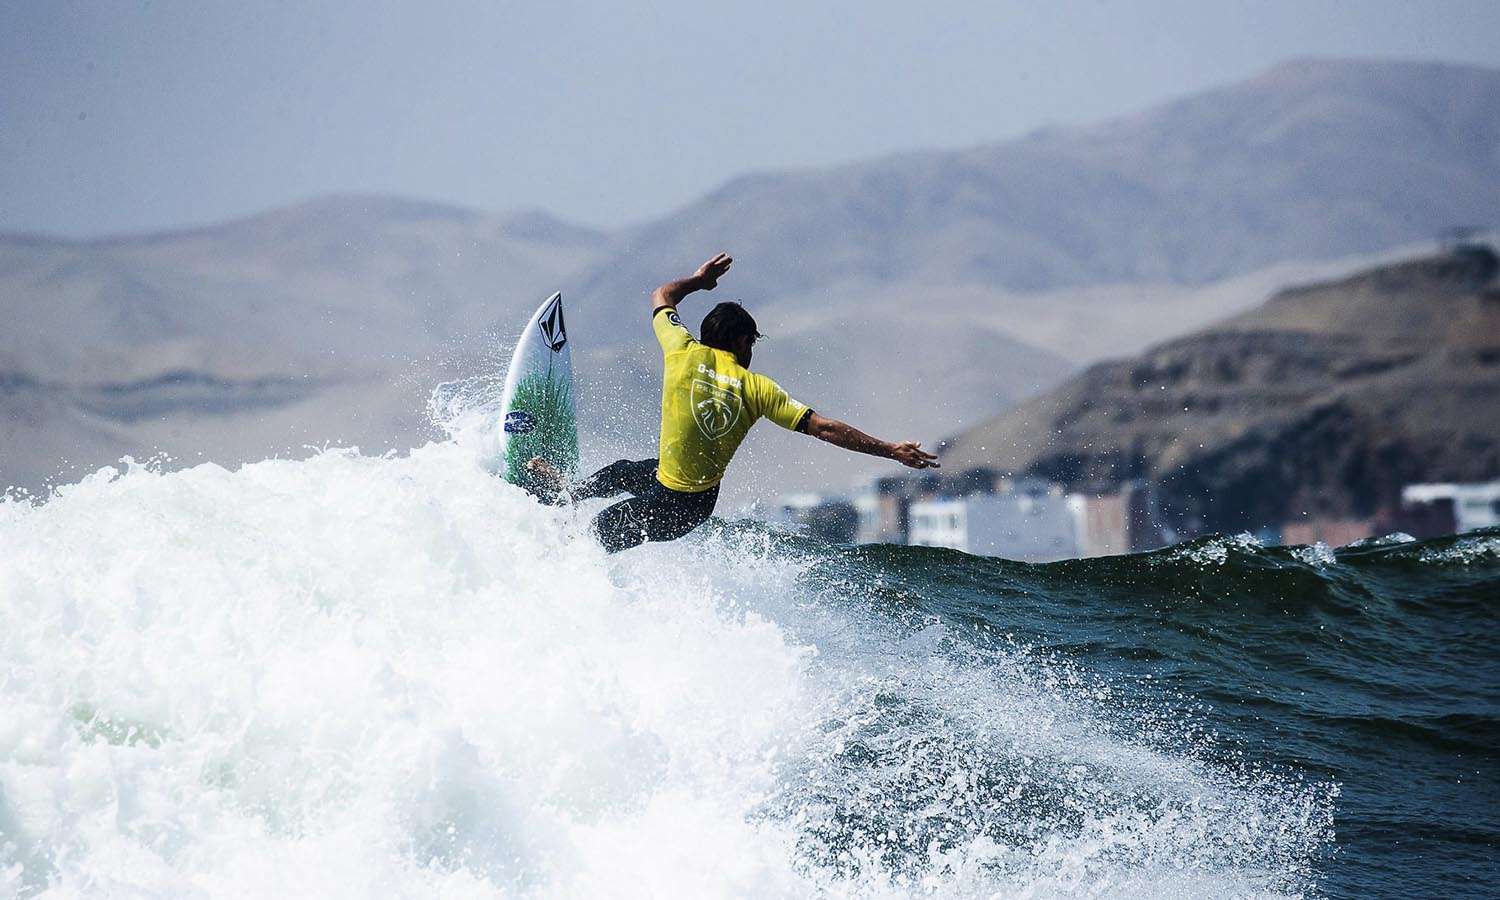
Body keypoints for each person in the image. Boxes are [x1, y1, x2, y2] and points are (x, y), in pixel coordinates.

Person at [530, 252, 938, 553]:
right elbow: (826, 429)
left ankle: (563, 568)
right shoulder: (756, 388)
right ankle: (569, 495)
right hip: (690, 505)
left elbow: (661, 293)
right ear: (743, 342)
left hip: (677, 499)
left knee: (598, 531)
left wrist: (698, 281)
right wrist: (889, 450)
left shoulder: (680, 349)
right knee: (622, 473)